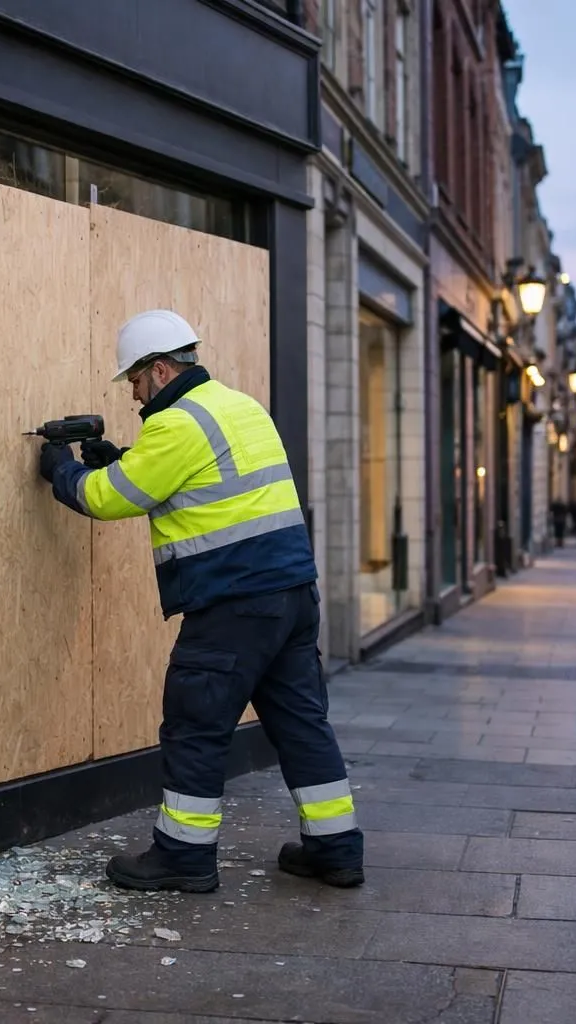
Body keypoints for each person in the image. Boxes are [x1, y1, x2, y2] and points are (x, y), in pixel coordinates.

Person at [38, 309, 363, 893]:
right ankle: (337, 850)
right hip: (290, 597)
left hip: (234, 604)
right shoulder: (240, 407)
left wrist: (62, 472)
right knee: (300, 722)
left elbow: (108, 501)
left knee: (196, 725)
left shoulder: (177, 425)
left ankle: (184, 856)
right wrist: (121, 461)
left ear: (161, 369)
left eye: (135, 379)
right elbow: (200, 487)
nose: (133, 392)